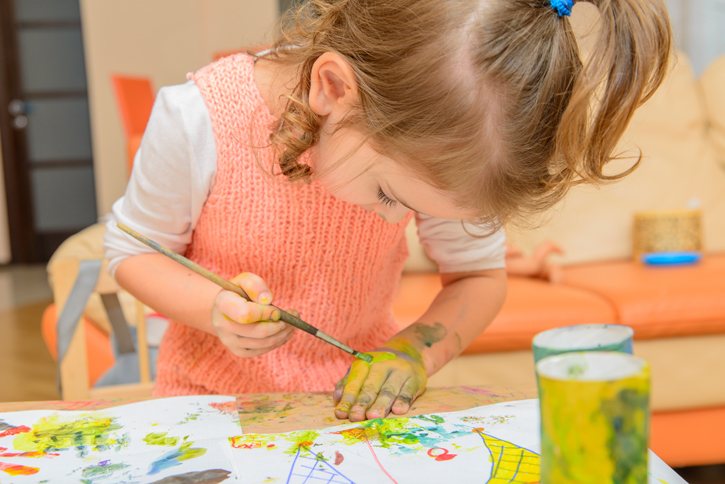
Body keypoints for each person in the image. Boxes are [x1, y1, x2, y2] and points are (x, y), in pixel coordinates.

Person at [104, 0, 671, 422]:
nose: (387, 218)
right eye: (390, 197)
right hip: (210, 410)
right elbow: (131, 251)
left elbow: (478, 276)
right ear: (332, 88)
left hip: (349, 416)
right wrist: (214, 309)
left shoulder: (444, 148)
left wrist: (413, 352)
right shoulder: (196, 119)